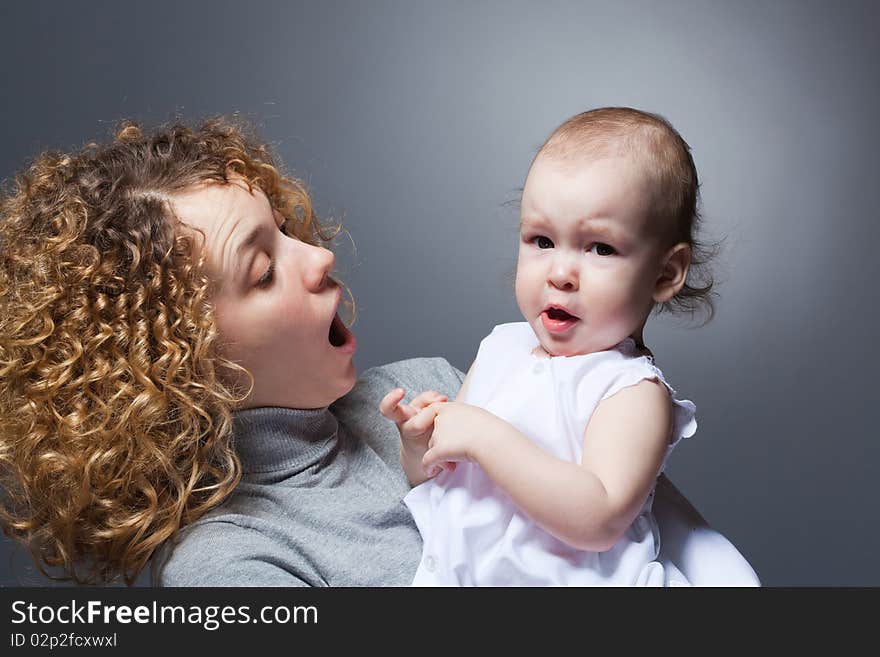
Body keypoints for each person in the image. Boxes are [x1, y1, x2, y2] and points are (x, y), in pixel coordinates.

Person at [0, 114, 744, 587]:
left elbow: (665, 542)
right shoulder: (238, 567)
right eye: (264, 269)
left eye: (288, 228)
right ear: (182, 359)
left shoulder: (436, 386)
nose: (318, 258)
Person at [381, 107, 717, 586]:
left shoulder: (630, 391)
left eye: (599, 248)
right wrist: (424, 447)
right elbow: (447, 482)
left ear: (665, 274)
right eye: (541, 240)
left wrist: (485, 437)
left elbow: (598, 517)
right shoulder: (501, 348)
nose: (560, 273)